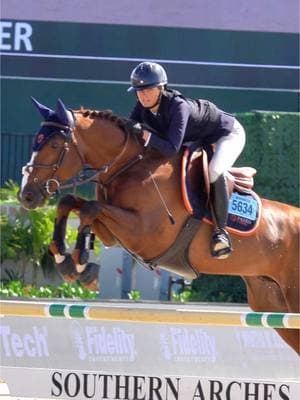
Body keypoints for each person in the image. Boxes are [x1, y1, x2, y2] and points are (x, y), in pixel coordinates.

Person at [128, 61, 246, 259]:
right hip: (201, 140)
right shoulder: (142, 107)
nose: (142, 95)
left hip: (227, 134)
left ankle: (221, 233)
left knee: (215, 170)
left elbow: (171, 148)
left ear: (161, 88)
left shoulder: (178, 107)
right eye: (139, 91)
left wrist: (147, 136)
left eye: (147, 90)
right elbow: (130, 127)